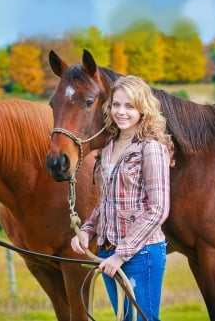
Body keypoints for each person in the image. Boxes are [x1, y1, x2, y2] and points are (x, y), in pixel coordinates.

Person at [71, 75, 174, 321]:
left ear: (143, 109)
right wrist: (87, 230)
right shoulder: (107, 148)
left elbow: (158, 209)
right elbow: (106, 202)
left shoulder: (152, 149)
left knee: (143, 319)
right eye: (116, 104)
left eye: (129, 106)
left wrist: (121, 254)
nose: (121, 112)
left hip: (142, 253)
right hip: (107, 251)